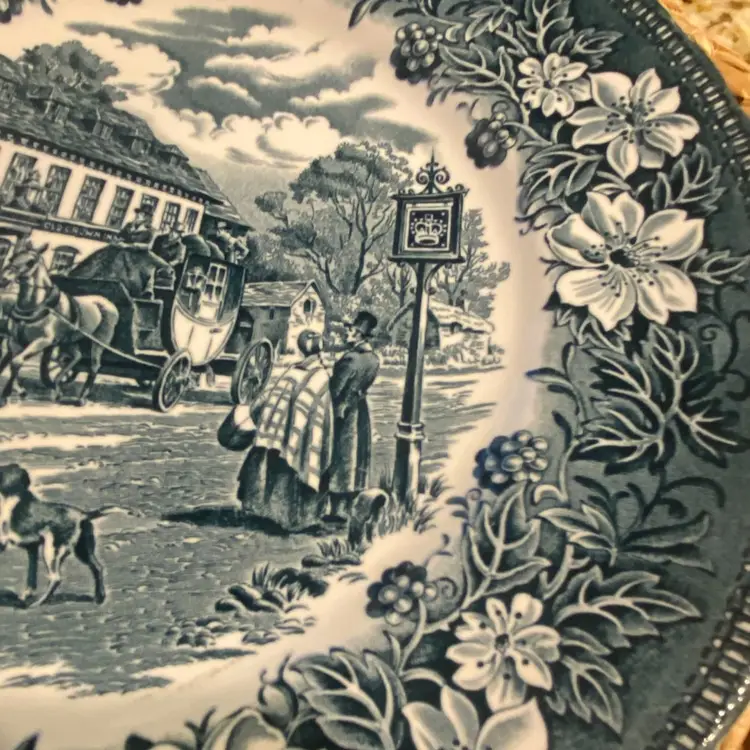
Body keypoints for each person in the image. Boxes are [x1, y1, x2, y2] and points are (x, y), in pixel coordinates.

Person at [236, 330, 334, 532]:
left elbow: (271, 398)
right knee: (294, 469)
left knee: (274, 468)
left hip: (277, 434)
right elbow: (322, 412)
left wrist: (257, 414)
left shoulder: (292, 371)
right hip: (300, 436)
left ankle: (267, 512)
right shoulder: (321, 375)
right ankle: (292, 519)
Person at [325, 310, 380, 521]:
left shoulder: (350, 359)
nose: (346, 333)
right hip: (361, 410)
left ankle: (336, 511)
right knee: (358, 456)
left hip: (344, 412)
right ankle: (348, 507)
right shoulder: (374, 359)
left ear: (358, 335)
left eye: (350, 330)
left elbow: (335, 389)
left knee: (341, 456)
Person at [68, 204, 175, 298]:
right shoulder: (129, 225)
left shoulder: (151, 231)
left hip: (137, 254)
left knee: (139, 265)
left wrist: (127, 246)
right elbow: (120, 236)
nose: (138, 216)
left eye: (142, 214)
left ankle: (144, 289)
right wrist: (117, 241)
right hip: (121, 248)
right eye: (138, 214)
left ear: (147, 218)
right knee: (101, 255)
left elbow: (147, 246)